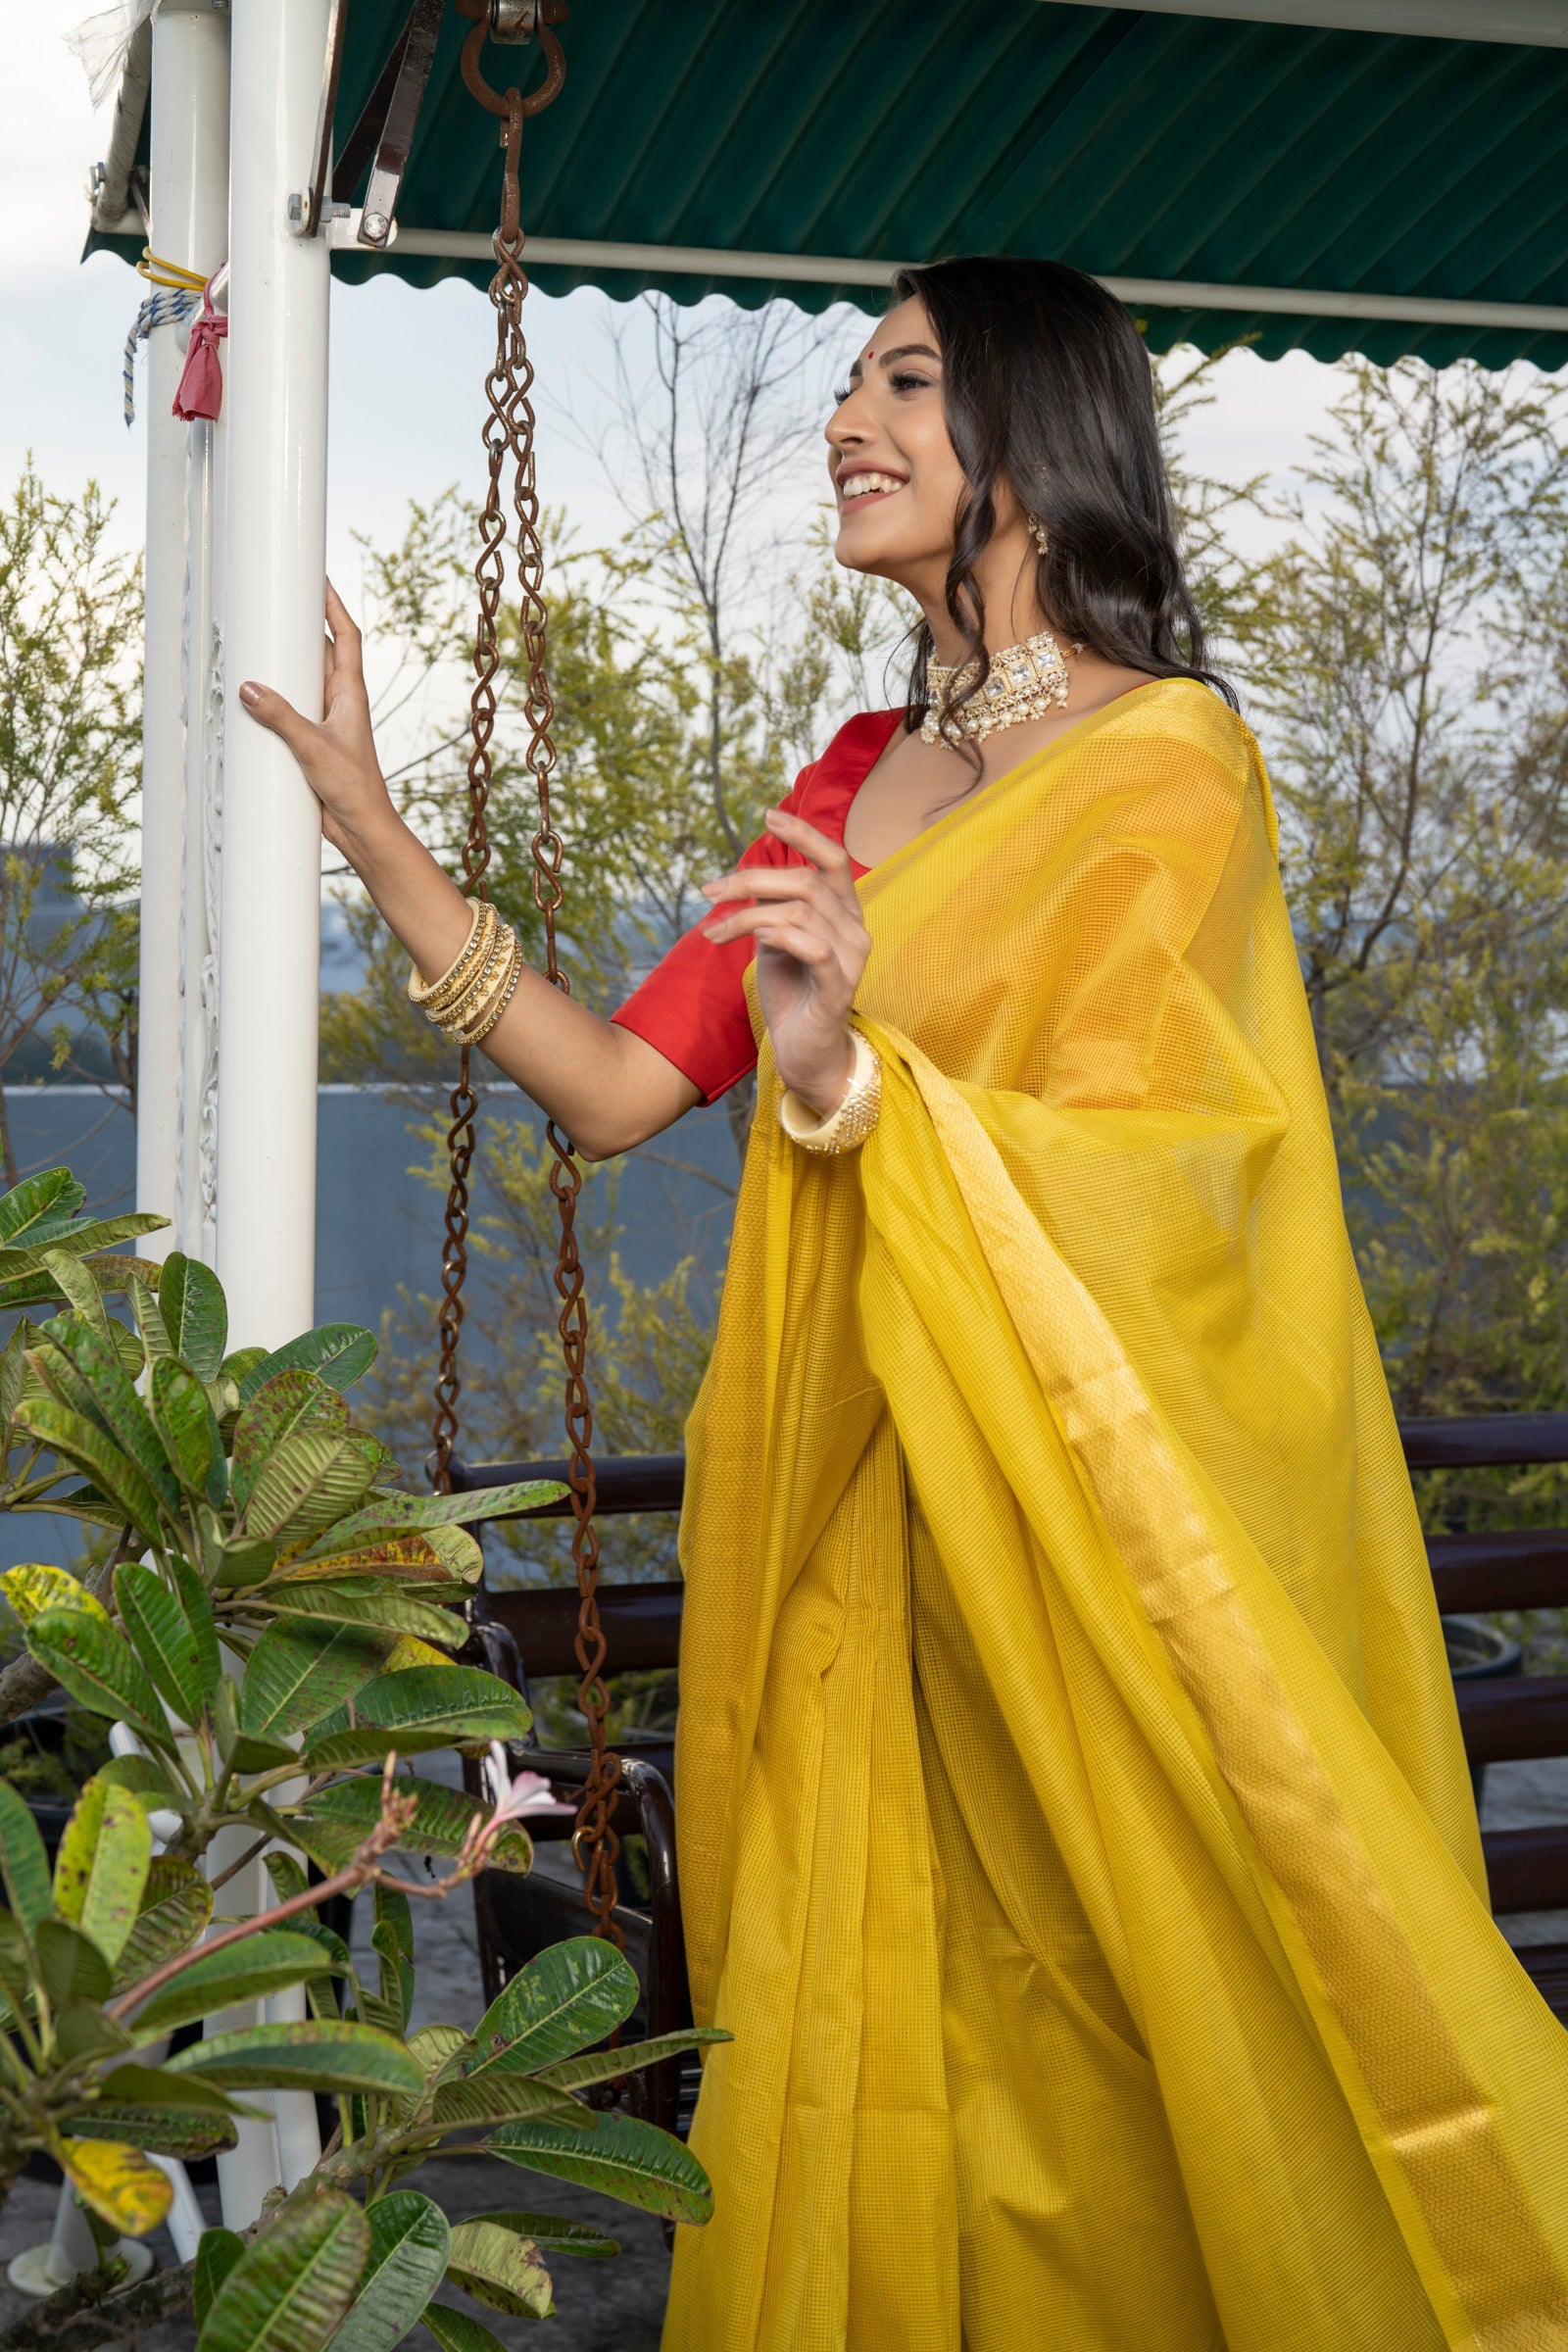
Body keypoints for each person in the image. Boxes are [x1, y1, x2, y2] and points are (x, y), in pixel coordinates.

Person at [240, 256, 1568, 2351]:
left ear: (1033, 440)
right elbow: (610, 1092)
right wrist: (377, 835)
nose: (846, 422)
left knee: (1091, 2083)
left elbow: (1186, 1175)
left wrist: (857, 1083)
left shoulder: (1169, 763)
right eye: (848, 384)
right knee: (856, 2085)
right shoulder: (853, 769)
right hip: (851, 1556)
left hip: (1054, 1567)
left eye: (905, 381)